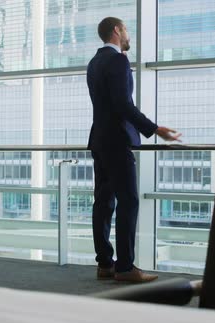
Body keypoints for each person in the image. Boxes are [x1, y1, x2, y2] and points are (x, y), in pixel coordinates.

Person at [87, 17, 182, 283]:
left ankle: (105, 263)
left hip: (99, 140)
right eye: (126, 29)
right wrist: (155, 129)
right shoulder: (118, 60)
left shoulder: (95, 62)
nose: (128, 35)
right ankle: (126, 268)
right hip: (117, 141)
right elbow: (122, 104)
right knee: (128, 200)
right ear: (117, 31)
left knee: (104, 203)